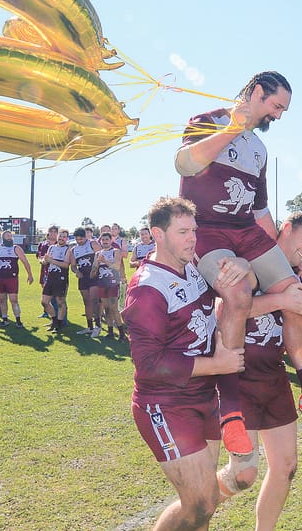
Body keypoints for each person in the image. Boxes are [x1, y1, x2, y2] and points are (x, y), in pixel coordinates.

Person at [176, 71, 302, 455]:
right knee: (237, 291)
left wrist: (283, 259)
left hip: (246, 231)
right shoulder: (207, 120)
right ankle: (231, 409)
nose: (279, 115)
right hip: (208, 230)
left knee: (295, 292)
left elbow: (259, 211)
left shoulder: (259, 149)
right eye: (276, 106)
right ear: (257, 93)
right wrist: (233, 127)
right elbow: (185, 165)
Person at [123, 196, 248, 531]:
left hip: (204, 397)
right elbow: (149, 363)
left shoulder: (193, 265)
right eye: (182, 232)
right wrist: (218, 364)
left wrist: (244, 266)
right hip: (166, 404)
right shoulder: (147, 288)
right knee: (201, 502)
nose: (192, 238)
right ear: (157, 234)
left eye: (194, 229)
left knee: (203, 508)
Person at [216, 213, 302, 531]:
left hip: (274, 377)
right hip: (239, 377)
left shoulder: (294, 276)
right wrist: (279, 300)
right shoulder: (250, 263)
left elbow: (291, 328)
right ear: (285, 230)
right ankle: (193, 508)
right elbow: (224, 312)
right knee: (241, 474)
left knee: (286, 466)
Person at [0, 229, 34, 328]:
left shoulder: (16, 248)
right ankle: (5, 319)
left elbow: (25, 261)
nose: (9, 238)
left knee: (13, 299)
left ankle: (18, 320)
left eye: (11, 236)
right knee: (2, 299)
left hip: (12, 278)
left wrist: (30, 275)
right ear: (3, 238)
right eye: (7, 236)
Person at [69, 227, 102, 335]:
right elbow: (73, 266)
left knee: (94, 300)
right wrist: (76, 272)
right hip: (83, 278)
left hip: (94, 276)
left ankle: (98, 326)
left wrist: (95, 269)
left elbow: (101, 257)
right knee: (86, 302)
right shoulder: (74, 249)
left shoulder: (93, 244)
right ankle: (89, 327)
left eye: (81, 239)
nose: (79, 241)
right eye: (77, 239)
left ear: (85, 237)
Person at [93, 231, 126, 340]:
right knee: (106, 309)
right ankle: (110, 332)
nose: (105, 242)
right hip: (102, 283)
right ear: (100, 241)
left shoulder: (115, 251)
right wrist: (96, 265)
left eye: (107, 239)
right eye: (103, 240)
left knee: (114, 308)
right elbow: (93, 272)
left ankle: (121, 333)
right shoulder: (98, 254)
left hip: (113, 283)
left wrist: (105, 261)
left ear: (111, 240)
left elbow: (116, 266)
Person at [41, 228, 72, 333]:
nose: (62, 238)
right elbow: (46, 261)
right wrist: (44, 261)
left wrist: (51, 260)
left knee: (60, 302)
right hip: (50, 277)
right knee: (44, 302)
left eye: (64, 237)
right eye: (60, 236)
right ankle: (54, 320)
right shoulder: (51, 247)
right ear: (57, 236)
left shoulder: (68, 249)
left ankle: (59, 323)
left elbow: (66, 265)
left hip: (61, 278)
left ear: (67, 239)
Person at [36, 226, 59, 319]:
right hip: (45, 270)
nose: (53, 233)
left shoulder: (60, 244)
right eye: (51, 231)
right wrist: (42, 261)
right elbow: (39, 256)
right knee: (45, 291)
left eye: (55, 231)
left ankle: (58, 315)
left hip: (57, 271)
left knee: (56, 295)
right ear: (48, 232)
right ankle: (46, 312)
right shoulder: (43, 244)